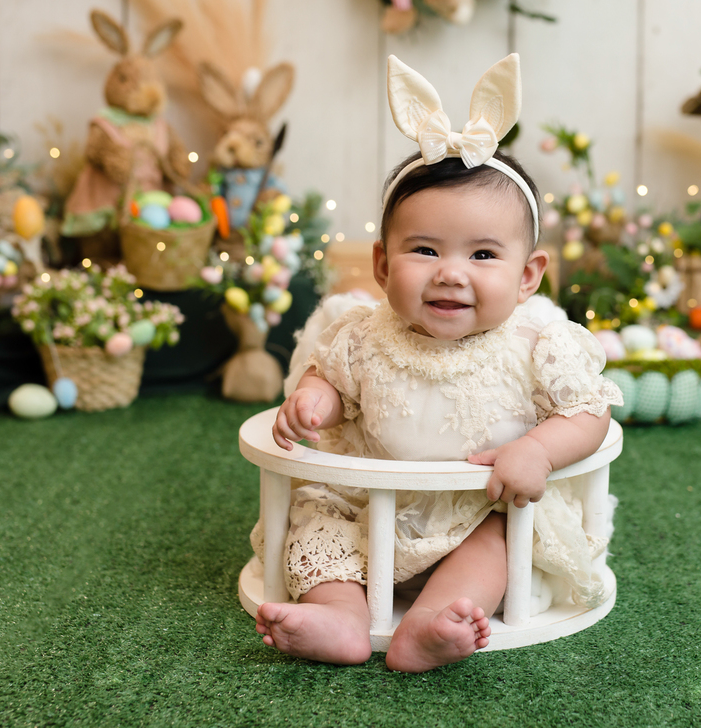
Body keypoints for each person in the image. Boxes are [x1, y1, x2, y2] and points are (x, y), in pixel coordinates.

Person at [253, 54, 623, 672]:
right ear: (382, 266)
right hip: (364, 501)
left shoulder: (538, 343)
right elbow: (331, 381)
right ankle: (340, 615)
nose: (451, 272)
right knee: (316, 524)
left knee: (504, 539)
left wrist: (539, 450)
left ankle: (432, 621)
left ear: (528, 275)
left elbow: (588, 413)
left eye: (483, 254)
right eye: (424, 249)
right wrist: (315, 399)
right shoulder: (362, 334)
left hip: (477, 507)